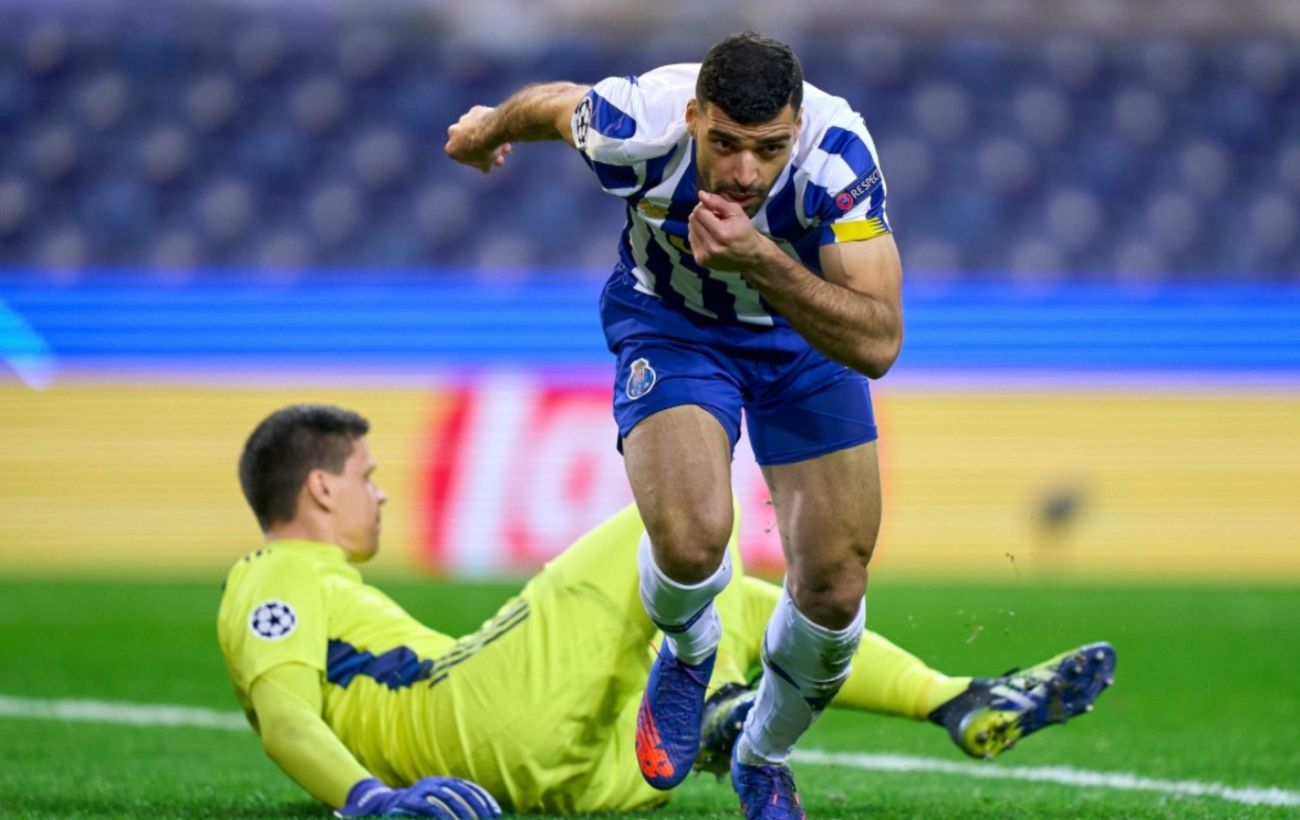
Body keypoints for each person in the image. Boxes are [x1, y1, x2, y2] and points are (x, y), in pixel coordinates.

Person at [217, 404, 1117, 818]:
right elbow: (286, 717)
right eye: (367, 479)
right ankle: (723, 698)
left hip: (544, 783)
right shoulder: (272, 576)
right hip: (468, 721)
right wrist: (370, 802)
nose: (382, 495)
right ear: (321, 489)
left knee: (732, 607)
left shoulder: (327, 590)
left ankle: (951, 700)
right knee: (662, 533)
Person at [445, 31, 904, 817]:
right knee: (692, 541)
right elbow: (553, 106)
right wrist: (488, 127)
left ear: (796, 129)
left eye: (769, 149)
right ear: (693, 118)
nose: (744, 172)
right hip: (673, 324)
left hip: (803, 341)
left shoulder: (839, 158)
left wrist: (759, 258)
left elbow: (879, 341)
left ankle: (762, 755)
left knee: (835, 585)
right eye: (725, 144)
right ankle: (690, 651)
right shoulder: (636, 126)